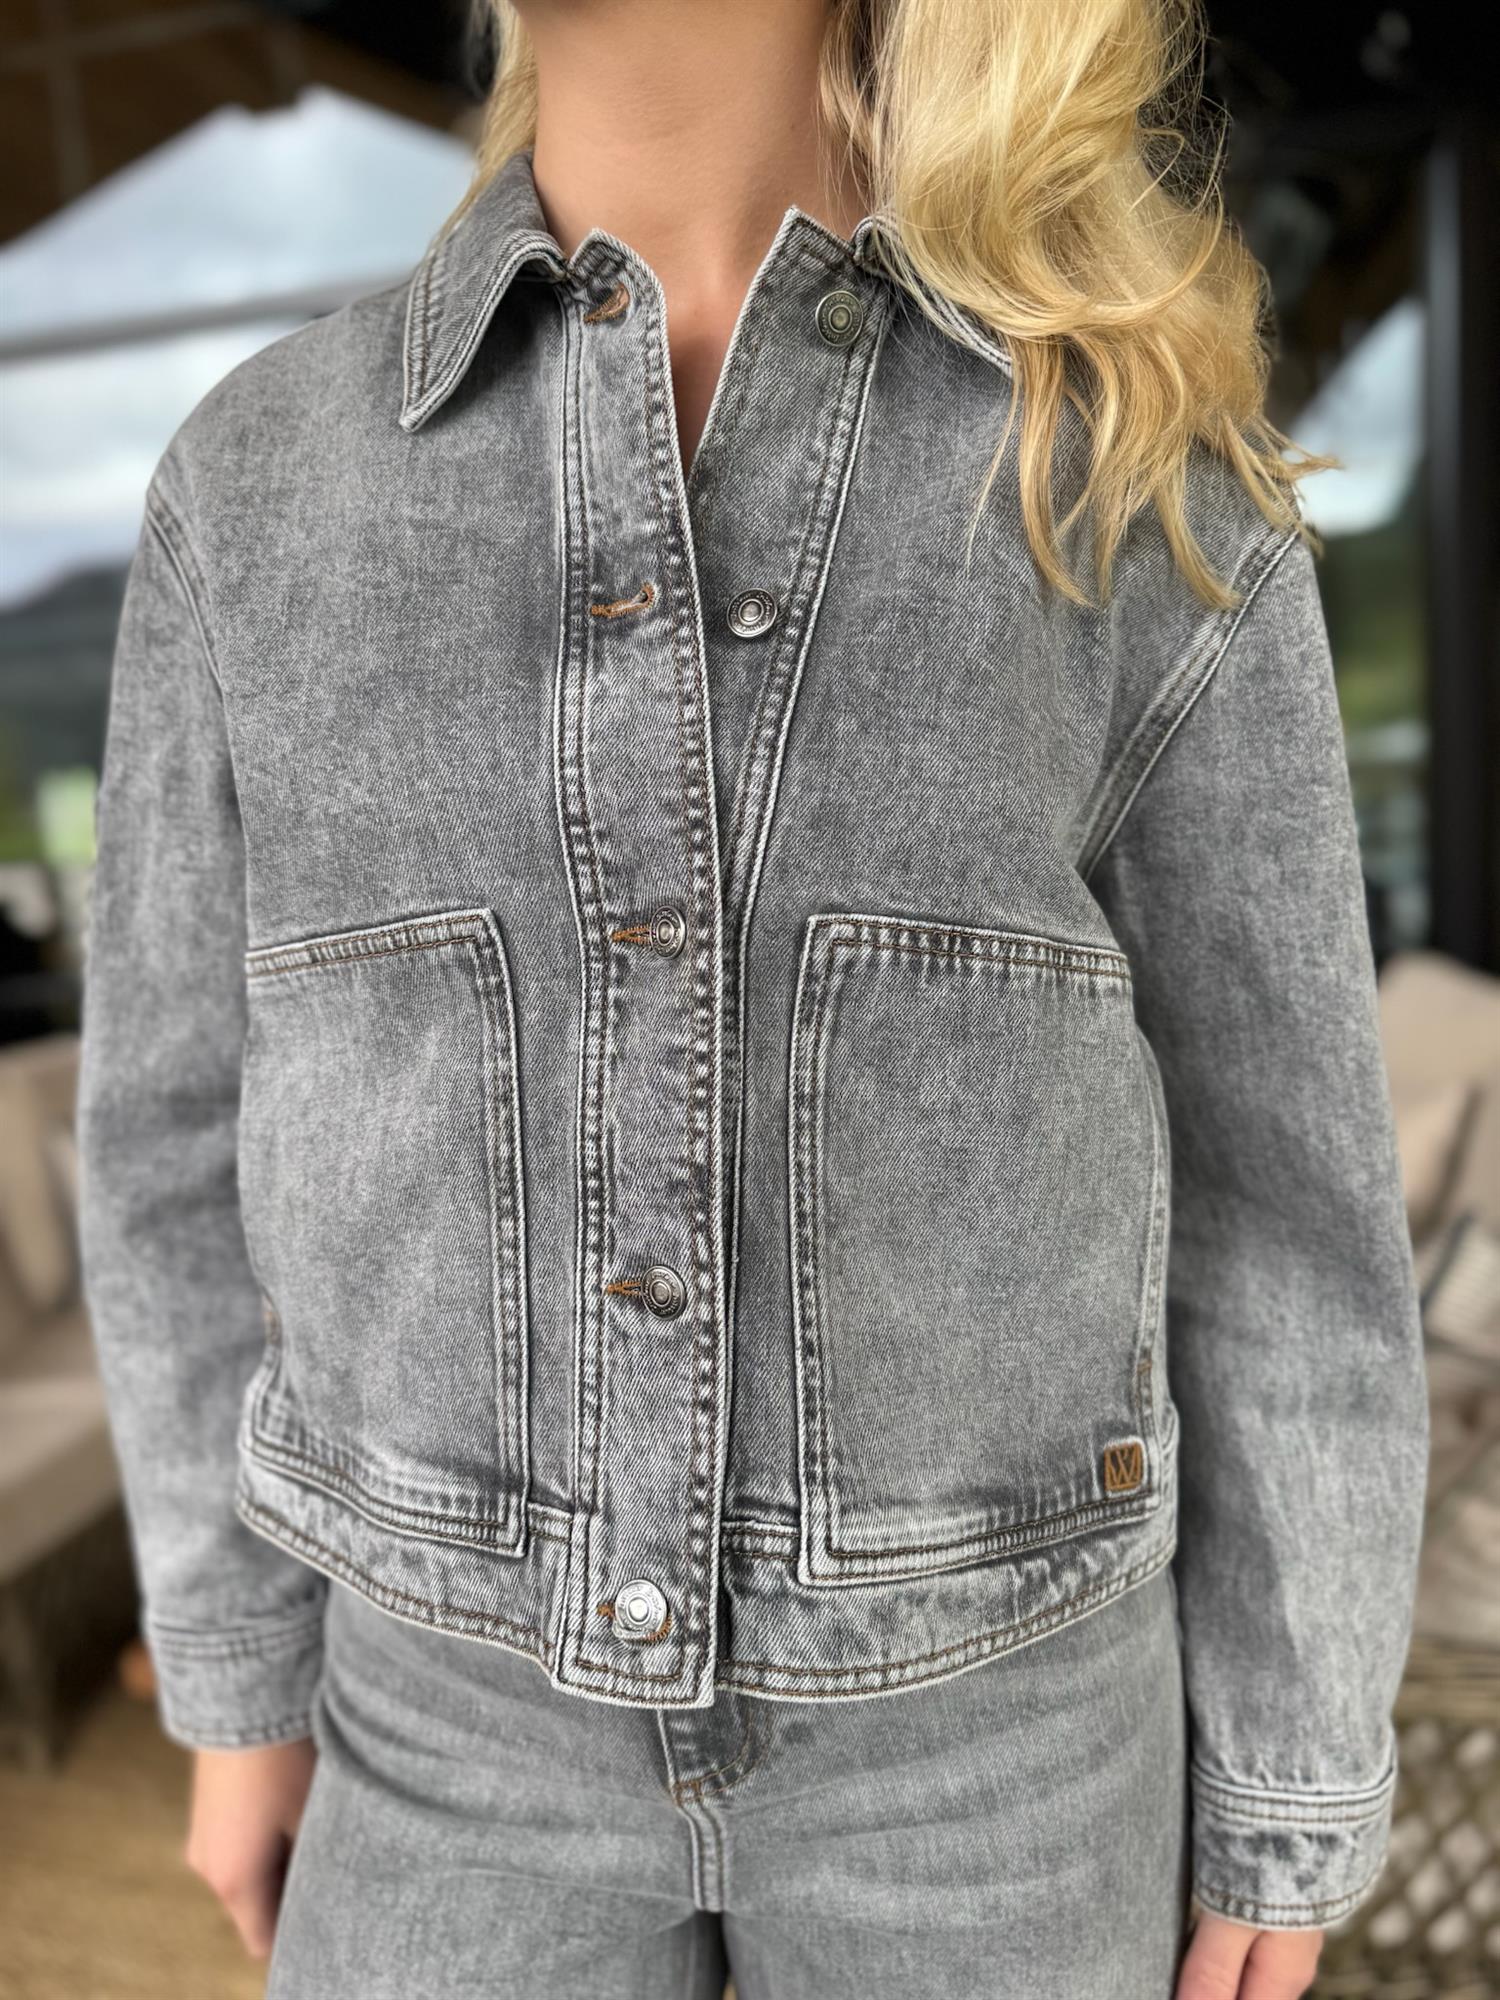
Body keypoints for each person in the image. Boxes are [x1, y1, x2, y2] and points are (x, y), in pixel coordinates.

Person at [75, 2, 1431, 1996]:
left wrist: (1287, 1789)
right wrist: (233, 1672)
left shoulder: (1132, 479)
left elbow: (1284, 1206)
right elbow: (173, 1135)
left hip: (1009, 1755)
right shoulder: (262, 486)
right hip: (435, 1725)